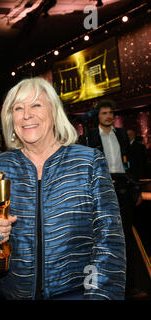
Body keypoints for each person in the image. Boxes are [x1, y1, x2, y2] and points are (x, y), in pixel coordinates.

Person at [0, 78, 126, 300]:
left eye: (36, 105)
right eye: (18, 108)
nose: (26, 115)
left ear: (54, 111)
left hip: (76, 295)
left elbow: (109, 242)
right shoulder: (0, 167)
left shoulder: (88, 163)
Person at [86, 100, 141, 298]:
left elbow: (130, 165)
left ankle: (129, 286)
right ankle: (101, 286)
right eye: (104, 113)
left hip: (123, 189)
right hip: (102, 189)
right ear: (98, 117)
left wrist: (134, 187)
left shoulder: (122, 135)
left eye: (110, 113)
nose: (108, 116)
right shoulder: (90, 137)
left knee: (126, 238)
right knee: (102, 239)